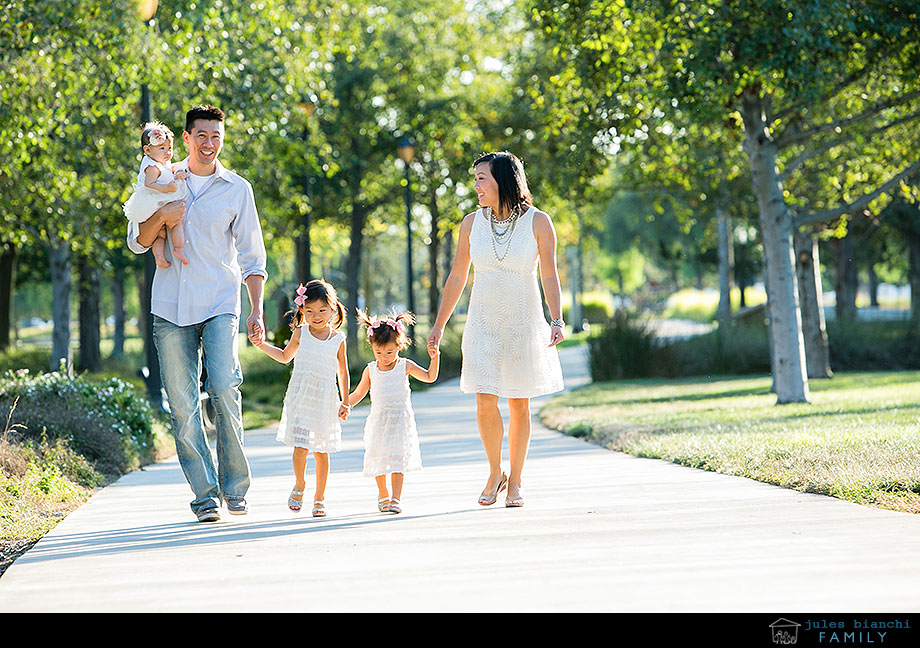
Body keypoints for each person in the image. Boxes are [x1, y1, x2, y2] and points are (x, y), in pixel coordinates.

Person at [126, 104, 267, 523]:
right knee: (183, 406)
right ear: (185, 139)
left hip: (220, 301)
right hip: (169, 307)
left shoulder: (237, 188)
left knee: (224, 387)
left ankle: (235, 487)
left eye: (216, 136)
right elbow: (137, 241)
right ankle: (205, 496)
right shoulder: (162, 178)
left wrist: (256, 309)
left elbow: (252, 254)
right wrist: (165, 215)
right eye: (201, 135)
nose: (209, 143)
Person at [427, 151, 565, 508]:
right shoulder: (471, 223)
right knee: (485, 400)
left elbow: (549, 274)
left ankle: (516, 481)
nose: (476, 186)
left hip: (523, 321)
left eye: (481, 178)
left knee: (519, 403)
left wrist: (557, 319)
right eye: (475, 179)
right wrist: (439, 325)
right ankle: (495, 472)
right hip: (483, 322)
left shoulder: (539, 222)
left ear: (503, 179)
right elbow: (458, 276)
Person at [248, 280, 350, 518]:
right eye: (311, 311)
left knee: (321, 452)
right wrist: (262, 345)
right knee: (301, 448)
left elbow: (342, 372)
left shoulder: (338, 339)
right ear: (302, 310)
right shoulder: (300, 332)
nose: (317, 316)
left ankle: (320, 498)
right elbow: (285, 357)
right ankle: (300, 483)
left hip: (325, 399)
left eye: (322, 310)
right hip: (302, 397)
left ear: (332, 309)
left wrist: (345, 401)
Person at [348, 310, 439, 514]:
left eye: (389, 352)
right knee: (378, 458)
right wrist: (344, 405)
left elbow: (430, 377)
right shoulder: (370, 369)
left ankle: (396, 498)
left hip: (400, 420)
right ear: (372, 347)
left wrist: (435, 358)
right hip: (379, 420)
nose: (384, 357)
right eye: (379, 352)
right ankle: (383, 494)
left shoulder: (404, 366)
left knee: (398, 460)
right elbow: (358, 393)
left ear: (399, 345)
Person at [122, 122, 189, 268]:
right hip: (154, 201)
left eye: (170, 148)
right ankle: (179, 249)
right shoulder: (151, 166)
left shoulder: (161, 162)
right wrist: (167, 188)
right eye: (162, 148)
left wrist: (177, 174)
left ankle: (159, 257)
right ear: (147, 150)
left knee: (161, 234)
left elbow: (170, 171)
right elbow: (149, 184)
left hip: (157, 200)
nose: (167, 152)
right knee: (177, 223)